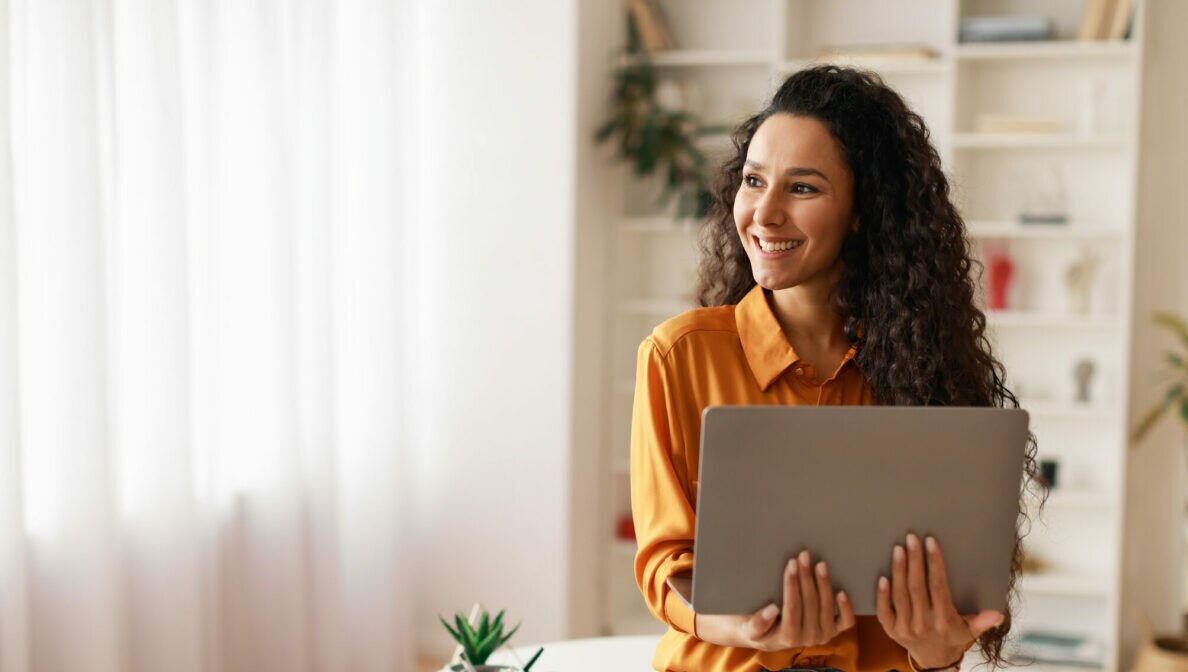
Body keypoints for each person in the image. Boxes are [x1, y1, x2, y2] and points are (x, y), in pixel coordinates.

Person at [629, 65, 1041, 672]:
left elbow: (954, 602)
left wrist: (937, 652)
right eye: (753, 180)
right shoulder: (678, 356)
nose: (764, 215)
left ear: (861, 212)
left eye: (802, 188)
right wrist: (740, 626)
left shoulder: (923, 370)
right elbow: (666, 564)